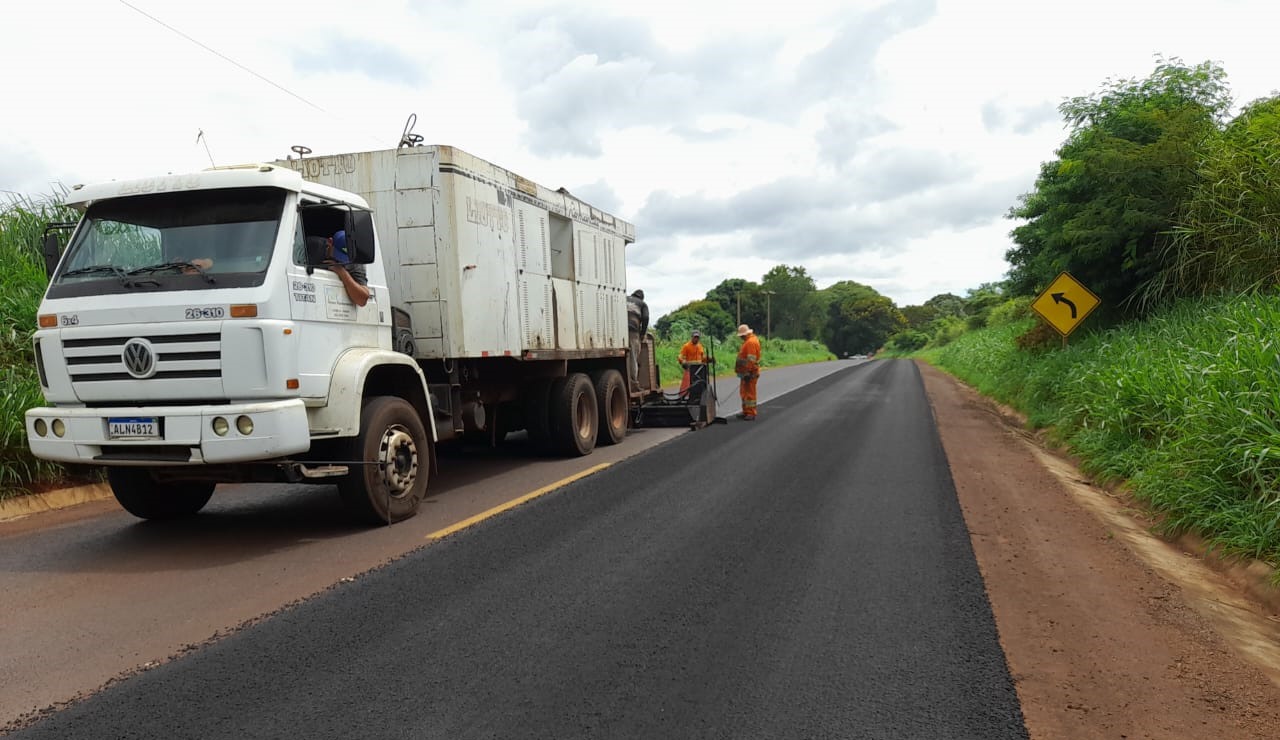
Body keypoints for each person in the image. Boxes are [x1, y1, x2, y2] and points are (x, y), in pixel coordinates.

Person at [324, 230, 370, 307]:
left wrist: (342, 272)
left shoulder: (354, 262)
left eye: (345, 260)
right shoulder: (312, 247)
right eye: (337, 256)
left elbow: (362, 300)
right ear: (330, 242)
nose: (340, 262)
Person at [735, 323, 761, 421]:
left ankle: (751, 412)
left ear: (744, 334)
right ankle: (746, 411)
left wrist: (748, 372)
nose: (741, 337)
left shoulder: (750, 342)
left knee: (750, 393)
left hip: (750, 373)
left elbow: (751, 359)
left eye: (741, 336)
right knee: (744, 392)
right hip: (746, 373)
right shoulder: (748, 341)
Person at [677, 329, 712, 397]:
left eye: (697, 337)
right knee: (687, 386)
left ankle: (700, 395)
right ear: (691, 337)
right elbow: (680, 356)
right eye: (695, 337)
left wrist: (708, 359)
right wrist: (683, 361)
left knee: (700, 384)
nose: (696, 339)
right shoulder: (686, 346)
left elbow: (702, 358)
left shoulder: (700, 346)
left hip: (700, 369)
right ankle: (685, 396)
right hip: (690, 369)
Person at [626, 289, 649, 386]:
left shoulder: (624, 298)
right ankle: (633, 381)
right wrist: (642, 333)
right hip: (632, 329)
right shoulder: (642, 304)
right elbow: (646, 317)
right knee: (633, 356)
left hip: (618, 328)